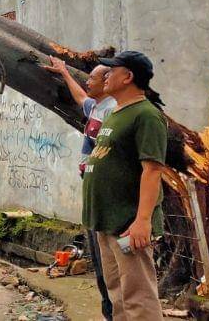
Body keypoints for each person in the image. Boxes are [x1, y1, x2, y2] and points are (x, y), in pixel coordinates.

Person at [83, 51, 167, 321]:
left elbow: (153, 170)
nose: (106, 75)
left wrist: (143, 220)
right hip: (106, 221)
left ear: (128, 77)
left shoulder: (146, 115)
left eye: (112, 70)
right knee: (117, 292)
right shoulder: (115, 112)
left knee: (138, 296)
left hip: (128, 223)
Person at [43, 56, 116, 321]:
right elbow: (79, 97)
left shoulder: (113, 109)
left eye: (93, 78)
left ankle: (114, 310)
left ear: (107, 82)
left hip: (105, 193)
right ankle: (108, 310)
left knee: (107, 258)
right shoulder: (96, 107)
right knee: (98, 255)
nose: (88, 81)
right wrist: (63, 71)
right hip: (91, 188)